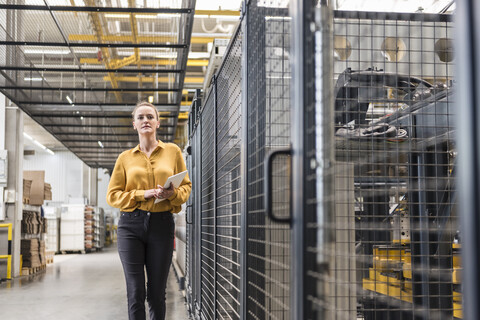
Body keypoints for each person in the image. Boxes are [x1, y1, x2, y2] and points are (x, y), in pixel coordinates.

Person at [107, 101, 192, 320]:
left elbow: (186, 186)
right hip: (130, 226)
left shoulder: (172, 152)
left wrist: (170, 194)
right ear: (134, 124)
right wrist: (140, 194)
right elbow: (112, 195)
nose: (146, 120)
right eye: (141, 117)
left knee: (156, 294)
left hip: (161, 224)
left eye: (150, 117)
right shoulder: (125, 158)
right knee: (136, 291)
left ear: (157, 123)